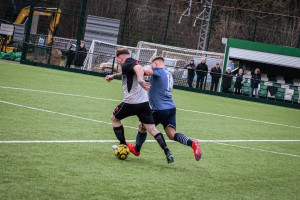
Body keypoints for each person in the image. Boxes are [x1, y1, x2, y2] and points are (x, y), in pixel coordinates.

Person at [105, 48, 174, 163]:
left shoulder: (127, 63)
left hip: (130, 103)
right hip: (144, 103)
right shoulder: (131, 62)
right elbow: (132, 70)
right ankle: (167, 152)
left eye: (118, 60)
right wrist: (113, 76)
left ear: (121, 58)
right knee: (152, 129)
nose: (118, 62)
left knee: (114, 119)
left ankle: (122, 145)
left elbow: (137, 69)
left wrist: (141, 80)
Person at [126, 56, 202, 161]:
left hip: (159, 109)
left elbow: (146, 71)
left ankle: (136, 150)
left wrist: (136, 67)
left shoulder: (158, 70)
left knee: (142, 125)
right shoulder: (168, 73)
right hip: (171, 109)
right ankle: (192, 143)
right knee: (171, 134)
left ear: (156, 64)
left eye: (152, 64)